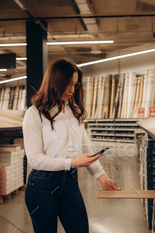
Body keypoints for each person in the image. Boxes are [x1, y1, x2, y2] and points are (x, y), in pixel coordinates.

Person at [23, 58, 121, 233]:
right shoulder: (34, 114)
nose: (72, 89)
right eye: (68, 83)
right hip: (41, 187)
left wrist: (102, 177)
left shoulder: (74, 113)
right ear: (54, 81)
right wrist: (72, 163)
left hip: (70, 184)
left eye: (75, 84)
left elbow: (86, 149)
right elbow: (34, 159)